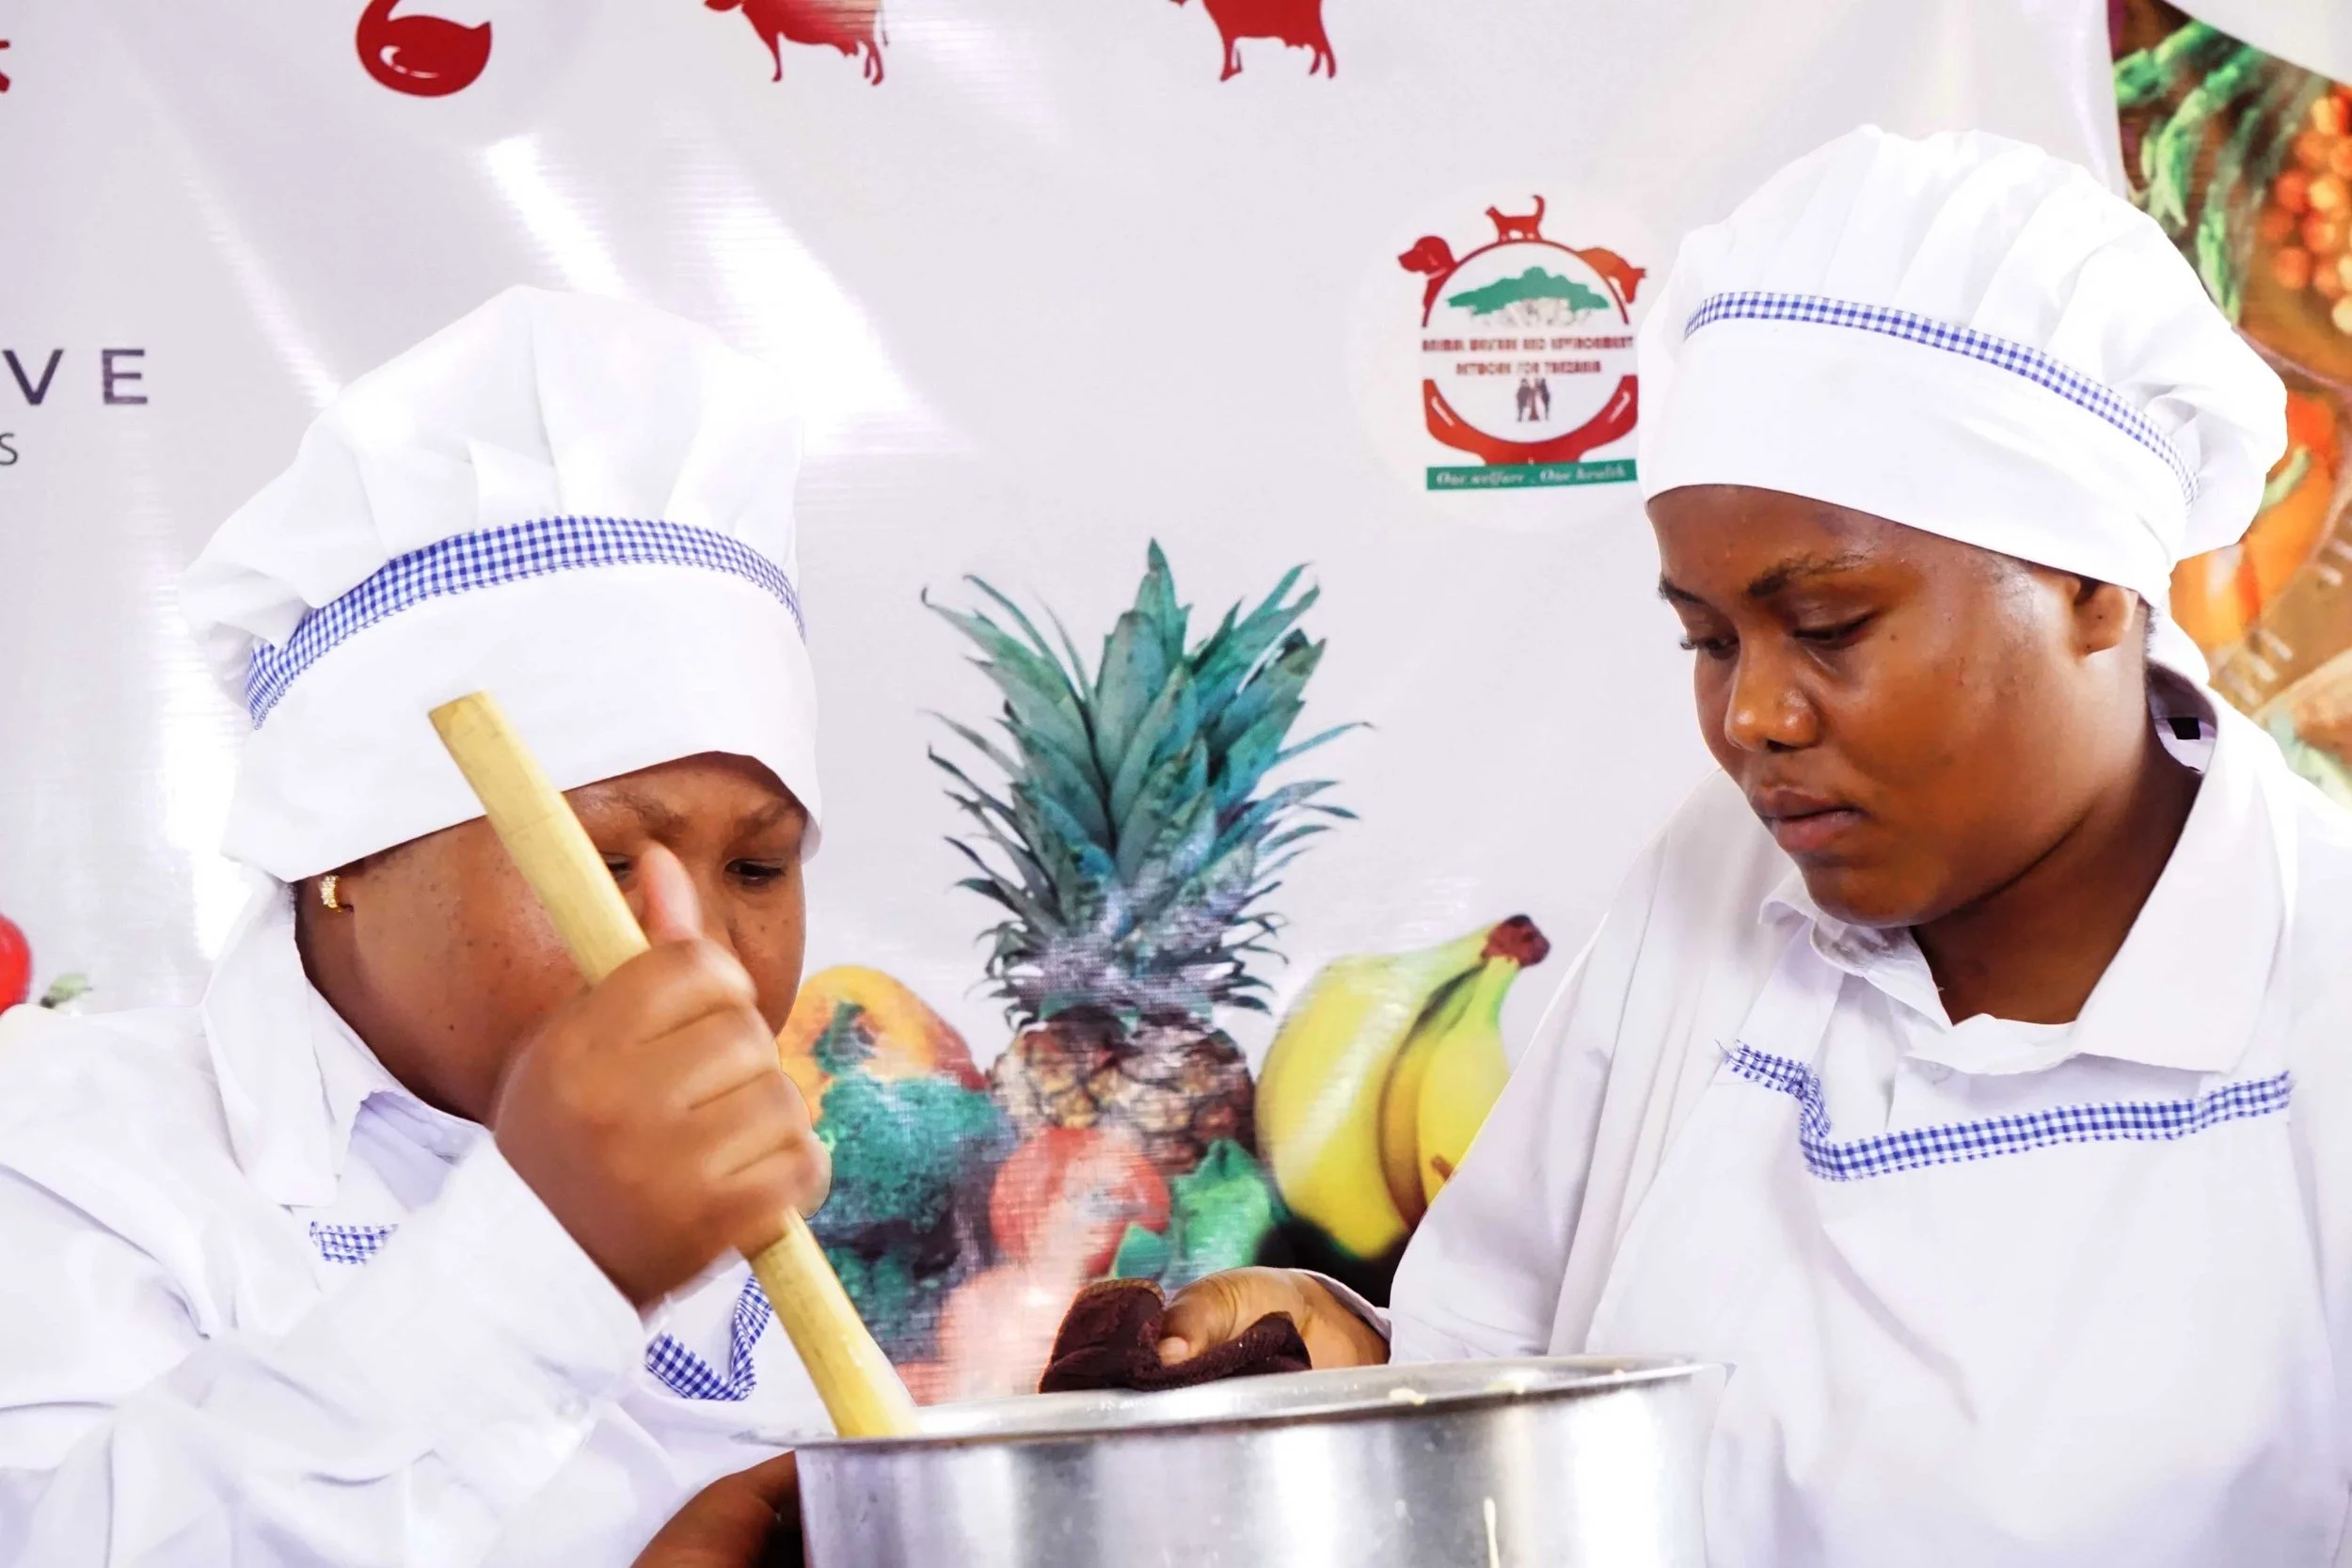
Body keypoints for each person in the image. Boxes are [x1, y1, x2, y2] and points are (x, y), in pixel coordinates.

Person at [1153, 127, 2352, 1564]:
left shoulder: (2318, 1004)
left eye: (1832, 626)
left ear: (2094, 588)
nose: (1752, 717)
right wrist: (1344, 1362)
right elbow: (1504, 1403)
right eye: (1707, 639)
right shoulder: (1712, 895)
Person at [0, 288, 837, 1564]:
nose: (703, 951)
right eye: (605, 855)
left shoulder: (746, 1212)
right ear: (342, 848)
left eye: (761, 864)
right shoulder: (65, 1149)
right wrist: (554, 1256)